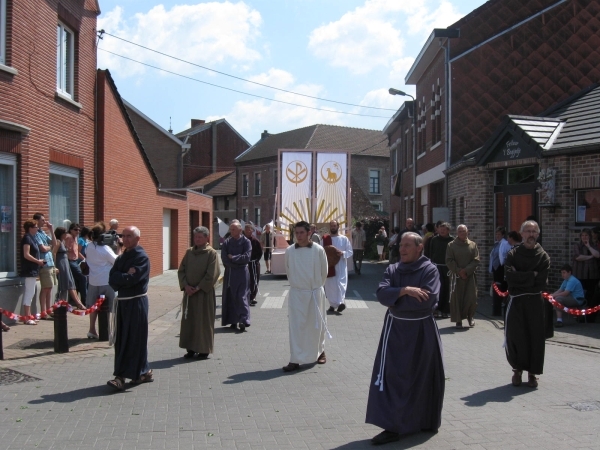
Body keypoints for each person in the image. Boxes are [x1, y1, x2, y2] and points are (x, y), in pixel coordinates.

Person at [365, 232, 444, 445]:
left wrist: (396, 298)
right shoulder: (393, 269)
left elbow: (426, 301)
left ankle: (424, 420)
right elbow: (381, 294)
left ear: (419, 248)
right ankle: (393, 425)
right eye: (401, 245)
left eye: (407, 245)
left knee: (423, 375)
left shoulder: (429, 270)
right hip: (396, 330)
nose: (402, 249)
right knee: (394, 377)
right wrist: (405, 290)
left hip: (422, 331)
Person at [504, 220, 550, 388]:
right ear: (521, 234)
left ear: (538, 234)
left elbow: (541, 282)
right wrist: (531, 275)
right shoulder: (513, 255)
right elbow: (509, 277)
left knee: (535, 338)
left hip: (535, 303)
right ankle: (517, 370)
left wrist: (521, 276)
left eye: (534, 231)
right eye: (528, 231)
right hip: (517, 301)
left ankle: (533, 373)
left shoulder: (543, 256)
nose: (531, 234)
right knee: (516, 336)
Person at [107, 226, 153, 390]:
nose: (125, 239)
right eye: (123, 236)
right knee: (122, 339)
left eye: (129, 236)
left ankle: (122, 376)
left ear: (137, 239)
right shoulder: (121, 258)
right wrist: (124, 274)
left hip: (136, 302)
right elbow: (112, 279)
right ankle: (143, 372)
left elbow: (133, 279)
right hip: (123, 302)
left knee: (135, 339)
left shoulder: (141, 257)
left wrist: (124, 276)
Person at [282, 221, 329, 372]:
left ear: (309, 233)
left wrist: (315, 288)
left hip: (314, 292)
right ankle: (295, 358)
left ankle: (320, 351)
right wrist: (299, 287)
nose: (299, 236)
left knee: (316, 325)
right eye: (297, 233)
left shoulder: (318, 250)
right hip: (297, 294)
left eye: (302, 232)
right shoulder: (290, 251)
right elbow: (288, 270)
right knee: (296, 327)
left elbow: (324, 272)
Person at [178, 226, 221, 359]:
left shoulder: (211, 253)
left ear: (207, 238)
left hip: (203, 294)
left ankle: (203, 349)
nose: (197, 239)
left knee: (203, 321)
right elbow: (181, 271)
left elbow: (212, 274)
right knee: (189, 321)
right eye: (195, 237)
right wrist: (186, 286)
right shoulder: (189, 252)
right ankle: (190, 348)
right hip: (189, 294)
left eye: (200, 237)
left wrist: (198, 288)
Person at [85, 222, 120, 339]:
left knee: (93, 306)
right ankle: (111, 330)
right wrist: (119, 248)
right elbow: (117, 261)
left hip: (93, 281)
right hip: (106, 280)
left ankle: (92, 329)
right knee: (112, 306)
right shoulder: (105, 249)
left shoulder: (89, 246)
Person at [446, 224, 480, 328]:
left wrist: (466, 271)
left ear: (467, 232)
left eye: (464, 231)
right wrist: (459, 271)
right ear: (457, 233)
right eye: (460, 231)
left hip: (469, 276)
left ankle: (470, 317)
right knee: (457, 298)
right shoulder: (451, 245)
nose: (462, 233)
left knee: (471, 297)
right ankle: (458, 319)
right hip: (457, 277)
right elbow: (449, 260)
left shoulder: (473, 245)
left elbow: (476, 259)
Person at [221, 220, 252, 331]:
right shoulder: (226, 243)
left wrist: (233, 258)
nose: (231, 231)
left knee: (241, 296)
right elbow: (224, 259)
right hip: (230, 272)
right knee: (230, 296)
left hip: (242, 273)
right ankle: (232, 320)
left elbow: (246, 257)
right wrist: (234, 261)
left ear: (240, 230)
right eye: (231, 229)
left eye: (234, 229)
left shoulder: (246, 242)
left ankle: (244, 320)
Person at [323, 220, 353, 313]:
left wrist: (342, 253)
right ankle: (332, 305)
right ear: (329, 227)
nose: (333, 227)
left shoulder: (344, 239)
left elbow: (350, 251)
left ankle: (340, 303)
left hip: (341, 265)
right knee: (330, 285)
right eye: (331, 226)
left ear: (338, 227)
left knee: (340, 284)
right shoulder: (324, 239)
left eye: (334, 225)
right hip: (329, 265)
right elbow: (320, 251)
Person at [53, 227, 86, 310]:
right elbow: (54, 253)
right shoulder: (58, 242)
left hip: (65, 264)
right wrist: (54, 266)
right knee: (63, 284)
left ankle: (70, 304)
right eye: (65, 233)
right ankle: (58, 306)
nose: (66, 235)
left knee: (70, 283)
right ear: (61, 234)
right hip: (61, 265)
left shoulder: (63, 242)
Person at [20, 220, 45, 325]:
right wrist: (38, 261)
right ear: (30, 228)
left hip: (33, 269)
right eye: (35, 227)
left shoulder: (32, 238)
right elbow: (26, 254)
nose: (37, 229)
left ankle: (29, 315)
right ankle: (26, 317)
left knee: (32, 292)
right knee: (29, 292)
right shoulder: (27, 238)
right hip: (29, 269)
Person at [33, 213, 57, 318]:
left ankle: (49, 309)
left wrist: (51, 230)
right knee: (45, 288)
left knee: (50, 287)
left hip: (51, 262)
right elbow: (42, 248)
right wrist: (49, 247)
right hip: (44, 263)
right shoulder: (36, 233)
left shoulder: (42, 232)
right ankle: (43, 311)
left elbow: (54, 243)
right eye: (42, 220)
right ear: (37, 221)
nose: (44, 222)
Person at [428, 222, 453, 318]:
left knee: (447, 289)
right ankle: (436, 309)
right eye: (441, 229)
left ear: (448, 231)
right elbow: (430, 253)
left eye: (445, 229)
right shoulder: (434, 240)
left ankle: (445, 310)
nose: (442, 231)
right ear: (437, 229)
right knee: (437, 289)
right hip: (436, 267)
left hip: (447, 267)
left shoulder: (452, 240)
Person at [551, 264, 585, 328]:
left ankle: (559, 320)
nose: (562, 275)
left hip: (577, 299)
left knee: (558, 299)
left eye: (564, 272)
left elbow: (565, 293)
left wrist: (554, 295)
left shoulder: (572, 280)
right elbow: (560, 290)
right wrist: (551, 296)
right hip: (570, 298)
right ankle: (558, 319)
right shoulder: (565, 280)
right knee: (555, 299)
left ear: (569, 272)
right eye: (561, 273)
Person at [572, 228, 599, 304]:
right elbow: (578, 257)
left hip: (592, 275)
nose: (584, 237)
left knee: (591, 295)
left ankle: (589, 313)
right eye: (582, 235)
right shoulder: (577, 246)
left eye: (586, 235)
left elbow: (597, 255)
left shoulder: (594, 246)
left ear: (589, 236)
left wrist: (589, 246)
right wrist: (591, 256)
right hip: (580, 274)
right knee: (580, 295)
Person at [489, 227, 511, 316]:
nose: (497, 236)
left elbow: (506, 254)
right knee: (496, 285)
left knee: (501, 285)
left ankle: (501, 302)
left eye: (499, 234)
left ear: (502, 235)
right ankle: (497, 303)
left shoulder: (505, 244)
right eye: (496, 234)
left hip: (501, 267)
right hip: (495, 268)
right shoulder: (496, 244)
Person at [64, 223, 87, 307]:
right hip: (70, 261)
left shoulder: (76, 238)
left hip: (75, 261)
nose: (78, 231)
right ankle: (84, 301)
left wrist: (84, 259)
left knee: (76, 281)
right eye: (75, 229)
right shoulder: (69, 237)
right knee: (82, 278)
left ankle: (73, 301)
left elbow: (77, 251)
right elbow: (66, 249)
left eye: (79, 230)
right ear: (70, 230)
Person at [244, 223, 263, 306]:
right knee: (245, 281)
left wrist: (256, 261)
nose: (248, 231)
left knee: (254, 280)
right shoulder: (242, 240)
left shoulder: (255, 241)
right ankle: (245, 297)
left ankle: (252, 297)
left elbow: (260, 252)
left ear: (252, 230)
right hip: (244, 264)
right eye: (246, 229)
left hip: (254, 264)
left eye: (249, 229)